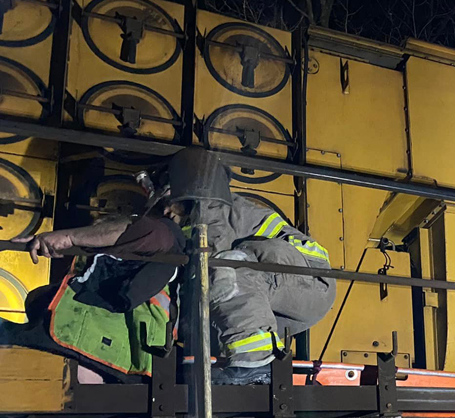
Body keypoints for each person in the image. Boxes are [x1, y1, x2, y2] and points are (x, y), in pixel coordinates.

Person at [157, 147, 337, 385]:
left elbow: (215, 263)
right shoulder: (198, 221)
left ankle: (258, 362)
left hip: (309, 280)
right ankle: (248, 362)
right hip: (288, 291)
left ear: (186, 192)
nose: (165, 210)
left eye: (169, 201)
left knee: (227, 268)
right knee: (216, 283)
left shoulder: (211, 208)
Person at [0, 209, 184, 380]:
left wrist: (69, 237)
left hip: (88, 350)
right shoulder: (138, 264)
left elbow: (140, 231)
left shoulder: (164, 235)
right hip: (94, 354)